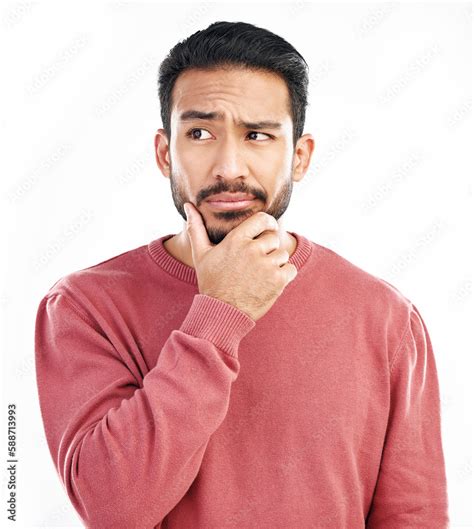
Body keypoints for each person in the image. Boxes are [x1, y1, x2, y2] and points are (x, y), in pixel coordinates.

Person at [34, 20, 449, 528]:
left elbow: (415, 517)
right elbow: (114, 507)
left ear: (299, 157)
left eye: (257, 135)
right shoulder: (83, 307)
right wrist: (220, 314)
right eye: (201, 133)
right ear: (166, 153)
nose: (229, 166)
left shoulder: (386, 317)